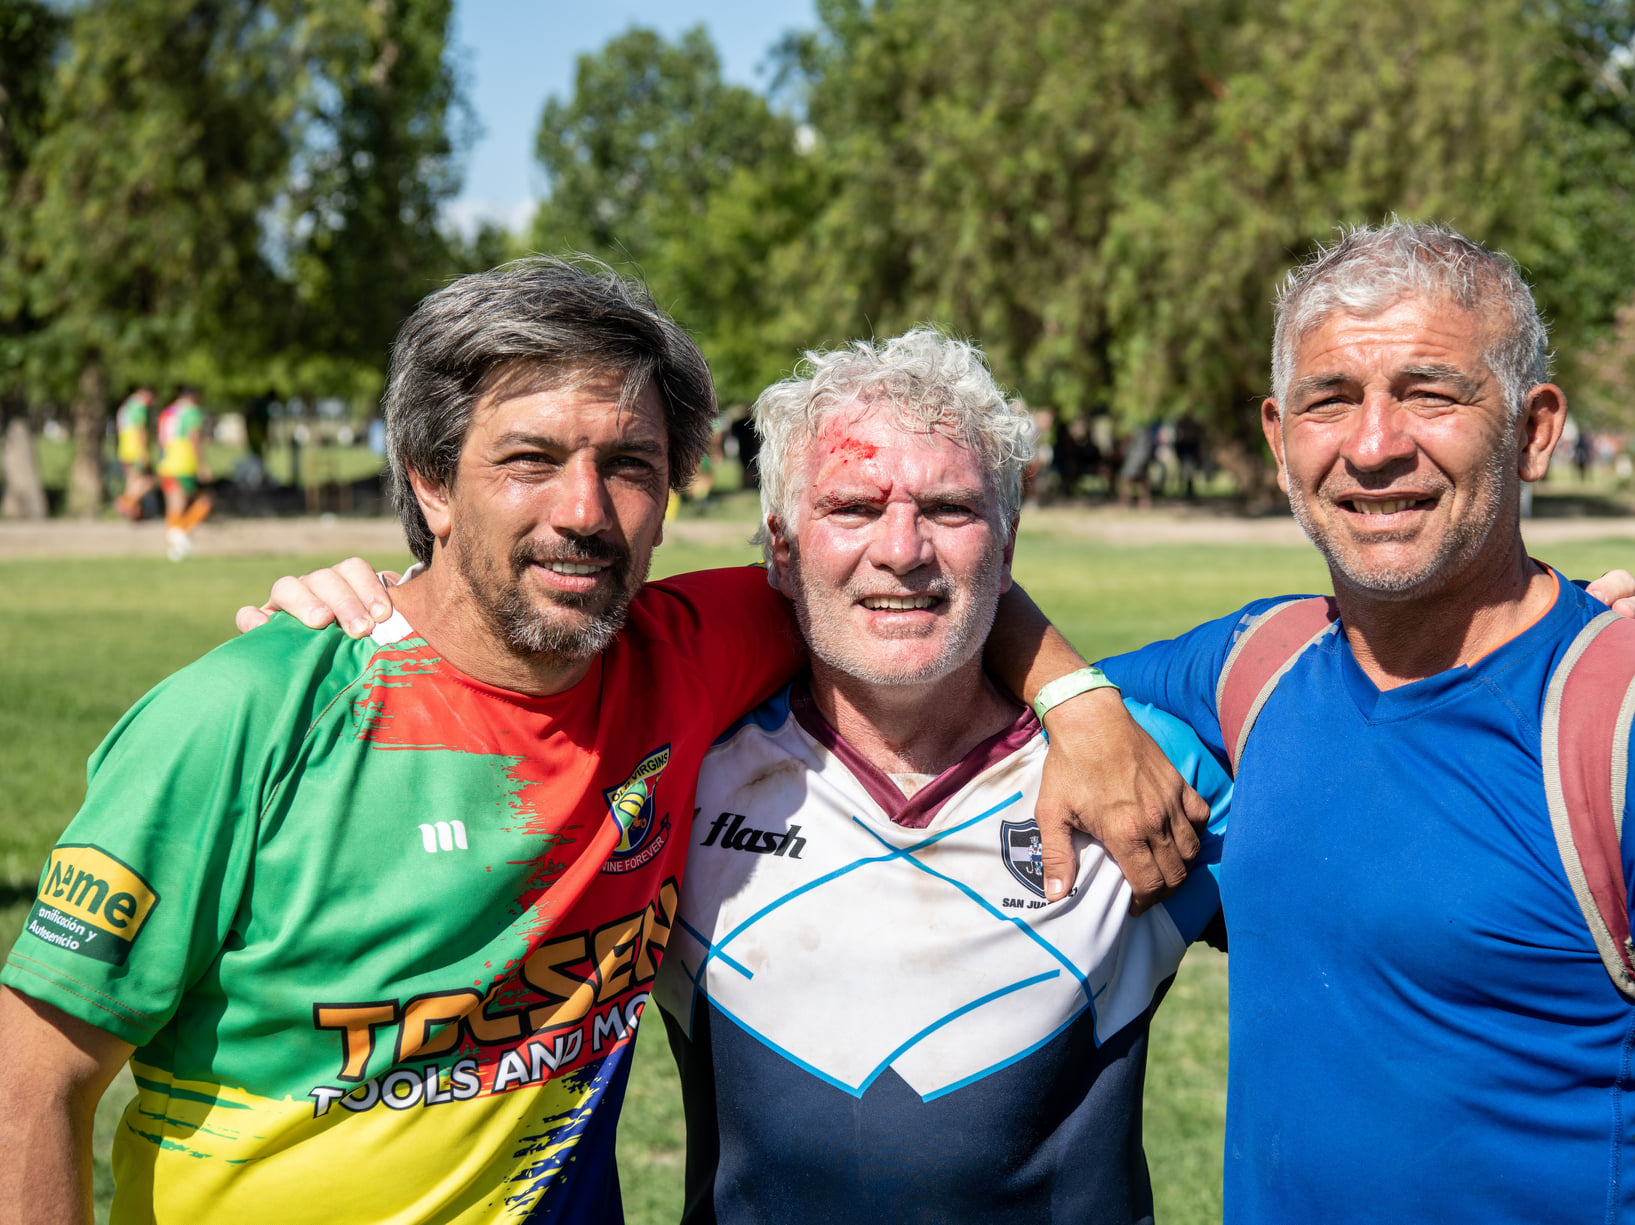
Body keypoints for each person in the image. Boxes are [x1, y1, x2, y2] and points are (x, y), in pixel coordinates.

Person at [0, 258, 1198, 1225]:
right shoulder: (251, 712)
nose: (582, 511)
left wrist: (1076, 698)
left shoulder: (688, 656)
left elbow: (914, 580)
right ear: (430, 484)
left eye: (627, 466)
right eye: (528, 460)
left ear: (670, 496)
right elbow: (29, 1082)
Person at [1099, 221, 1635, 1221]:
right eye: (1329, 400)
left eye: (1431, 394)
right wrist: (1070, 708)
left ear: (1533, 430)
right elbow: (978, 673)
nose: (1372, 446)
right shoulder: (1257, 666)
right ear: (1278, 440)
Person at [651, 329, 1230, 1223]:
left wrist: (1078, 702)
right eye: (852, 506)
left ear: (1006, 548)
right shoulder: (674, 774)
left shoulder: (1138, 768)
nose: (902, 548)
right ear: (781, 548)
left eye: (950, 508)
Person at [154, 386, 212, 559]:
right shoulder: (192, 412)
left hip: (166, 462)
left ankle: (175, 547)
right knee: (204, 500)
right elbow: (194, 438)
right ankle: (179, 533)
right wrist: (201, 464)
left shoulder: (168, 412)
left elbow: (161, 439)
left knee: (174, 506)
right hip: (184, 463)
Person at [111, 387, 160, 520]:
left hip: (125, 449)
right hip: (136, 450)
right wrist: (144, 452)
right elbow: (140, 430)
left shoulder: (126, 406)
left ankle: (131, 511)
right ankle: (125, 503)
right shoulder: (139, 407)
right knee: (148, 481)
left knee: (132, 481)